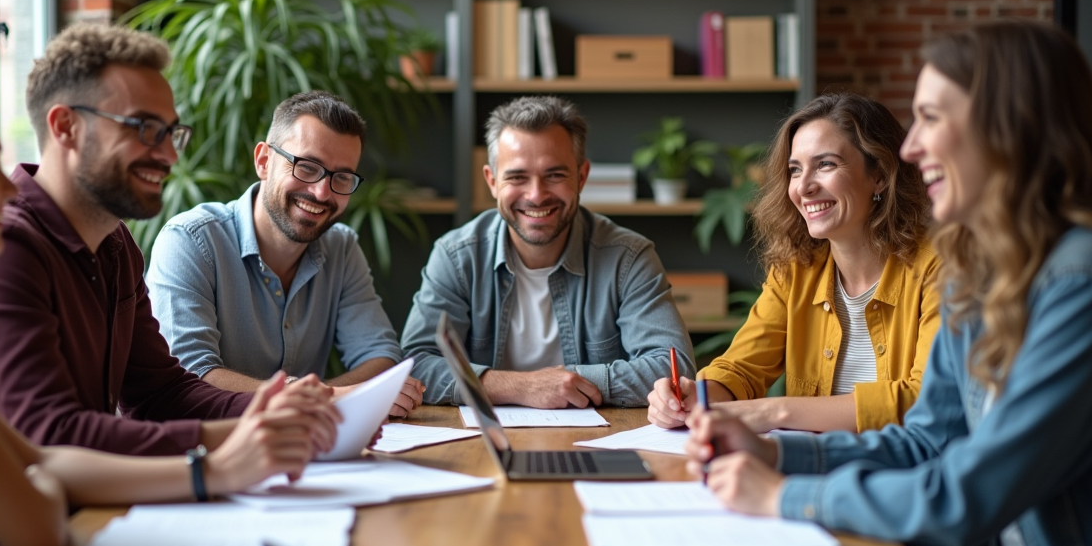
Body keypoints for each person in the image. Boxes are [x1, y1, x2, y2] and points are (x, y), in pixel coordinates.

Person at [685, 21, 1092, 546]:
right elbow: (927, 440)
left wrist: (786, 495)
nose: (910, 148)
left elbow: (968, 494)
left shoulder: (1083, 278)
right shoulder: (981, 270)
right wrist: (777, 456)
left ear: (1007, 127)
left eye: (932, 119)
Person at [0, 74, 339, 546]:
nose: (5, 185)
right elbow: (42, 486)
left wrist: (268, 421)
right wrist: (218, 465)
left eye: (168, 132)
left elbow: (50, 451)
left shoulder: (113, 244)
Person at [648, 93, 939, 433]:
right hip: (808, 465)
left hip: (901, 473)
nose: (804, 187)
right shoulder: (796, 268)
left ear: (880, 175)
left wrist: (774, 413)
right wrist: (695, 397)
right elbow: (741, 369)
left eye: (826, 164)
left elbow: (924, 398)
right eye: (795, 170)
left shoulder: (938, 266)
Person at [401, 95, 693, 408]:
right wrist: (522, 387)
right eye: (517, 177)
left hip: (599, 440)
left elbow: (672, 370)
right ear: (492, 181)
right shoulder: (456, 256)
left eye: (555, 175)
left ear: (581, 176)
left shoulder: (628, 257)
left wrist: (565, 383)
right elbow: (417, 364)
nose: (536, 195)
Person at [147, 91, 422, 417]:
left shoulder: (342, 248)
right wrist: (326, 399)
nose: (322, 192)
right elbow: (190, 375)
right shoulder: (190, 241)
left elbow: (381, 356)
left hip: (300, 452)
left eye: (342, 177)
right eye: (306, 167)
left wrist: (330, 398)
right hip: (204, 452)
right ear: (264, 161)